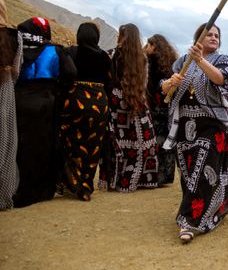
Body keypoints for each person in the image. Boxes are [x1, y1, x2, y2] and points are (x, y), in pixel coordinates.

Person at [161, 23, 228, 242]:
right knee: (188, 171)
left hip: (212, 124)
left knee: (202, 169)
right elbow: (164, 88)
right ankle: (212, 205)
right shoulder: (182, 61)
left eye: (216, 35)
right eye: (208, 34)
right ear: (198, 38)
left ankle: (189, 221)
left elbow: (222, 80)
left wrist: (200, 60)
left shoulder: (222, 60)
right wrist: (170, 83)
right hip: (184, 123)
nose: (213, 37)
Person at [13, 17, 76, 207]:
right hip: (46, 102)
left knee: (20, 145)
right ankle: (41, 189)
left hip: (18, 99)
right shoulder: (55, 51)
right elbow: (70, 73)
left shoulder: (16, 48)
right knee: (43, 145)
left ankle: (17, 188)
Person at [99, 23, 159, 192]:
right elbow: (144, 83)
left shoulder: (111, 54)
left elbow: (107, 81)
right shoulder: (143, 58)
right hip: (138, 102)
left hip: (116, 103)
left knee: (117, 142)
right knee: (143, 141)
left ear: (121, 36)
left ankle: (114, 180)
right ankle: (140, 180)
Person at [58, 22, 111, 201]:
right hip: (99, 105)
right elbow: (110, 82)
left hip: (75, 102)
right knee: (93, 146)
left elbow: (63, 76)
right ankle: (86, 187)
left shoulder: (70, 52)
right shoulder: (105, 56)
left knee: (70, 142)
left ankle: (73, 182)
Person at [144, 34, 178, 185]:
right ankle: (166, 174)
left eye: (149, 45)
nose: (147, 47)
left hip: (154, 105)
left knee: (155, 139)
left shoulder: (149, 62)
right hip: (167, 105)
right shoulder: (170, 63)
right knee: (166, 139)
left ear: (155, 47)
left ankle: (156, 174)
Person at [0, 0, 21, 209]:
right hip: (5, 89)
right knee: (6, 143)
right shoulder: (14, 36)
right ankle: (4, 196)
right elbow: (16, 70)